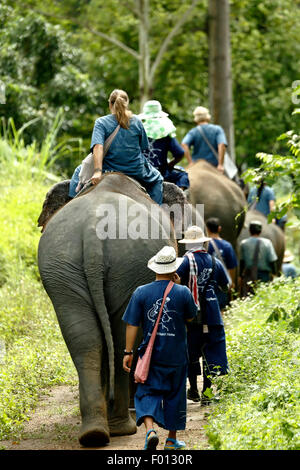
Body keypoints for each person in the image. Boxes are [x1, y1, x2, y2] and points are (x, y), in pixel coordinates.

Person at [122, 246, 197, 450]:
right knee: (175, 394)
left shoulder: (141, 292)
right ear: (174, 269)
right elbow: (191, 317)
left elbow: (132, 324)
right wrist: (179, 286)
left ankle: (150, 431)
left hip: (150, 356)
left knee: (146, 391)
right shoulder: (183, 292)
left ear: (155, 268)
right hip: (177, 355)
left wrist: (128, 352)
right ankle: (171, 440)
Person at [69, 89, 164, 205]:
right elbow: (144, 146)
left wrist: (98, 171)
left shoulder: (101, 122)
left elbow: (98, 147)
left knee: (78, 171)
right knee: (157, 179)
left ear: (110, 104)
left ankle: (71, 205)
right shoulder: (137, 122)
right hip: (136, 170)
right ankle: (156, 212)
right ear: (126, 104)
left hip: (108, 168)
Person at [176, 226, 229, 404]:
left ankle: (193, 390)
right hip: (212, 314)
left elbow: (177, 283)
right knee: (210, 351)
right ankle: (207, 392)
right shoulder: (215, 262)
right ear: (204, 242)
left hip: (192, 314)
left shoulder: (185, 262)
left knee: (191, 352)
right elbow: (225, 285)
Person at [139, 100, 190, 190]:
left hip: (139, 172)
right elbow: (180, 153)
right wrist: (169, 165)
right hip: (160, 173)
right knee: (183, 175)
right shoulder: (165, 131)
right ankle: (178, 199)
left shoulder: (138, 129)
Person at [181, 106, 227, 173]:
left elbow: (184, 144)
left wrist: (190, 162)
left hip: (197, 166)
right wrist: (220, 165)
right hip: (214, 165)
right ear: (207, 117)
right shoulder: (217, 129)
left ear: (196, 119)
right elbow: (222, 145)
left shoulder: (193, 132)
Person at [206, 217, 238, 310]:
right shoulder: (227, 246)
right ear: (219, 229)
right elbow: (232, 266)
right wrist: (231, 282)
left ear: (207, 229)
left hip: (207, 281)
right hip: (222, 282)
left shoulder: (205, 244)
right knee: (221, 308)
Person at [239, 220, 278, 296]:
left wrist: (240, 276)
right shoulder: (267, 243)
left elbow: (242, 261)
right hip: (264, 276)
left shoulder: (244, 243)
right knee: (263, 297)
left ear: (249, 230)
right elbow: (272, 260)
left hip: (249, 276)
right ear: (260, 231)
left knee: (249, 297)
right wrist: (274, 274)